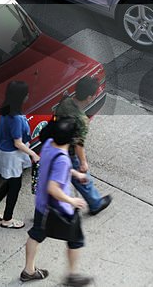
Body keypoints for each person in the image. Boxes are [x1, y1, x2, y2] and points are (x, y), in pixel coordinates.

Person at [20, 119, 93, 286]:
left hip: (41, 204)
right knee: (76, 240)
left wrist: (75, 174)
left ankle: (28, 270)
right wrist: (72, 200)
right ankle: (72, 277)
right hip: (59, 208)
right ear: (71, 139)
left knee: (36, 234)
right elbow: (53, 188)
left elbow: (54, 168)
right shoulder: (63, 159)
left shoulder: (49, 144)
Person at [0, 81, 39, 227]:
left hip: (3, 150)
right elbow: (18, 143)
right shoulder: (16, 118)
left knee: (11, 182)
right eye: (26, 94)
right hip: (12, 155)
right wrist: (33, 154)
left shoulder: (6, 110)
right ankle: (7, 220)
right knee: (15, 186)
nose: (28, 96)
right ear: (21, 97)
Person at [54, 76, 112, 216]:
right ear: (90, 97)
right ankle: (95, 203)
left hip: (56, 145)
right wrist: (84, 162)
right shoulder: (82, 120)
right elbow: (79, 144)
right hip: (70, 151)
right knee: (82, 177)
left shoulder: (65, 102)